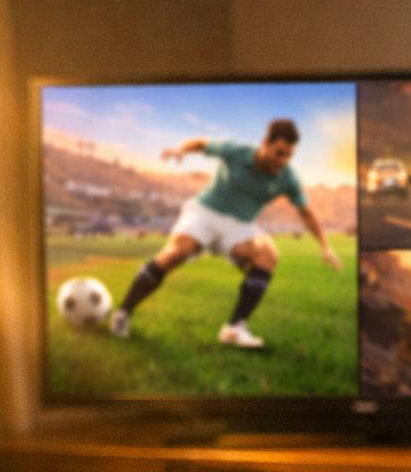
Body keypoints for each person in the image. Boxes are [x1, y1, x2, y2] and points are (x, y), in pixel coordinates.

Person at [107, 117, 343, 350]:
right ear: (265, 143)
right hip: (205, 212)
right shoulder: (237, 151)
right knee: (177, 253)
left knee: (268, 256)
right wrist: (180, 150)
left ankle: (234, 329)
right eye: (279, 152)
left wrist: (325, 246)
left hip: (239, 225)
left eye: (289, 155)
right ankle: (123, 313)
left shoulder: (288, 178)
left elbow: (306, 212)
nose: (283, 160)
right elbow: (201, 144)